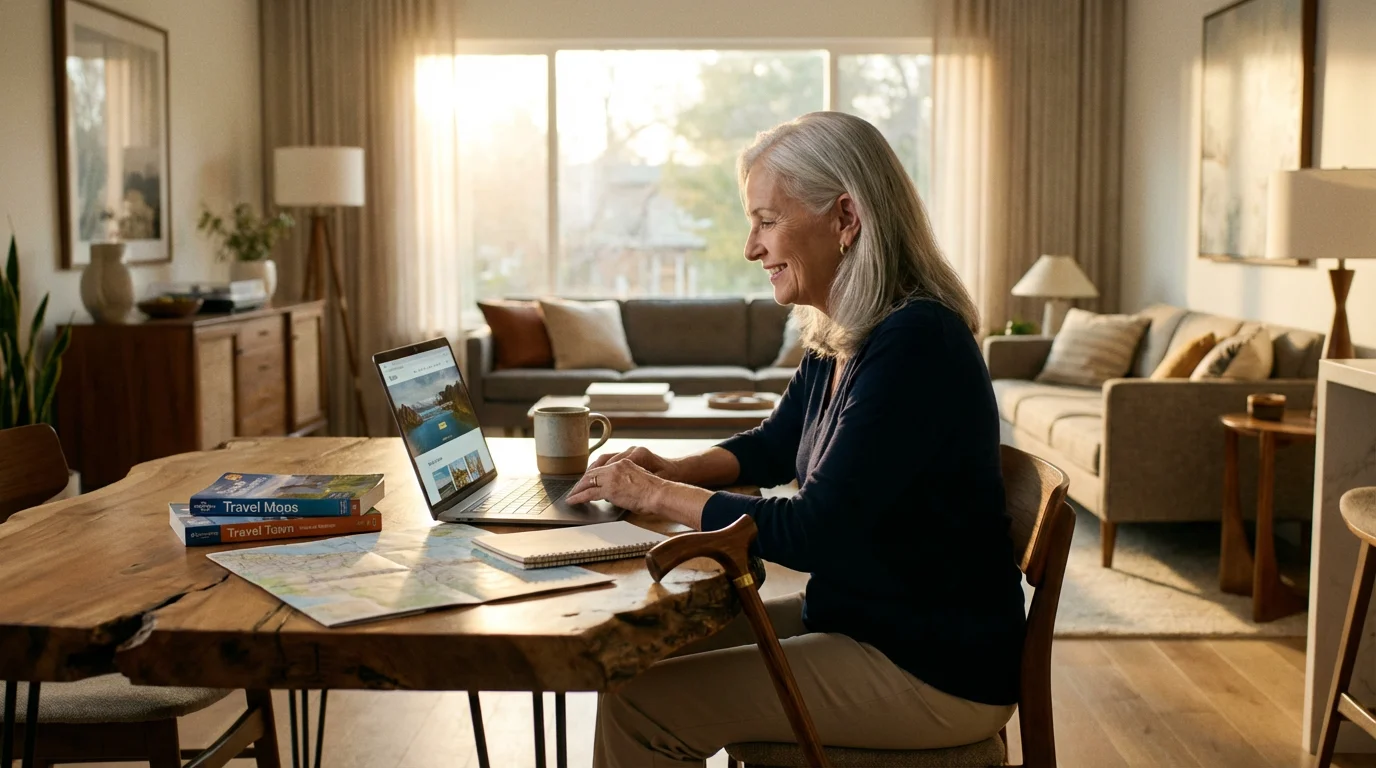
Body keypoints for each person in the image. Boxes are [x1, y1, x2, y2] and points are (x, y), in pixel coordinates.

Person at [563, 111, 1025, 768]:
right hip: (864, 623)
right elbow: (773, 445)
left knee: (645, 707)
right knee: (632, 668)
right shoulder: (843, 334)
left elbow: (817, 531)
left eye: (766, 220)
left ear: (845, 219)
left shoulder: (917, 343)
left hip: (934, 666)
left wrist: (660, 494)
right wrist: (675, 466)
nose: (752, 247)